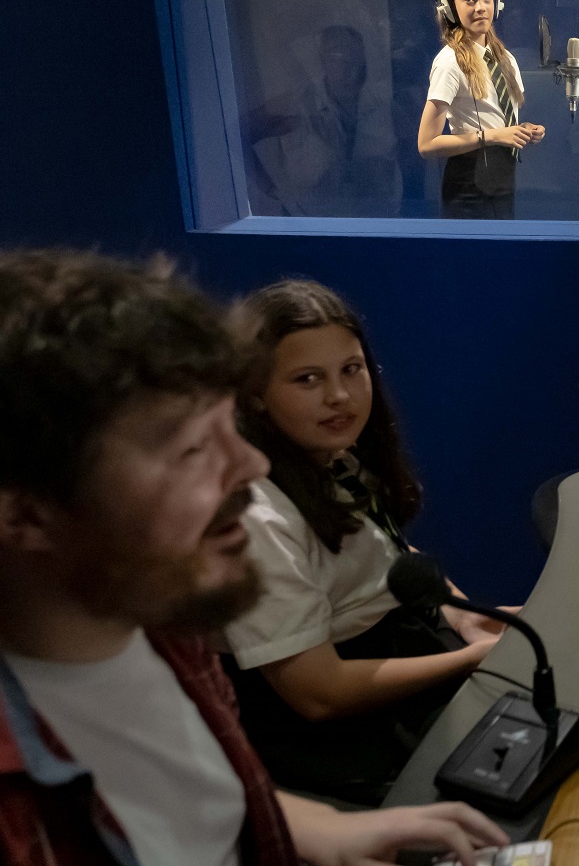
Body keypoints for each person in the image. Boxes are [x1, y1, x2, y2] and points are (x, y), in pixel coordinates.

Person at [0, 249, 508, 865]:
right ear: (23, 512)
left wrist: (321, 828)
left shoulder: (170, 637)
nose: (252, 467)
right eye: (190, 450)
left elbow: (205, 797)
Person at [220, 279, 515, 805]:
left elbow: (394, 561)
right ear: (255, 394)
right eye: (308, 379)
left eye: (351, 370)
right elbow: (320, 695)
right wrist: (476, 659)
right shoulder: (258, 519)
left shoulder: (333, 457)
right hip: (342, 726)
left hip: (404, 648)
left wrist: (468, 618)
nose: (339, 396)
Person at [417, 0, 545, 219]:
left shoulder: (505, 59)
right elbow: (426, 144)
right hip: (468, 186)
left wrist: (522, 131)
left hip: (503, 178)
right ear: (449, 7)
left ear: (497, 3)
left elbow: (497, 119)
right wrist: (493, 136)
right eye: (470, 0)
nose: (481, 8)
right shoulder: (449, 62)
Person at [245, 25, 404, 218]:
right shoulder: (298, 106)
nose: (349, 68)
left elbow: (414, 156)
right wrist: (271, 191)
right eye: (339, 58)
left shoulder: (385, 107)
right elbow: (237, 134)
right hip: (312, 228)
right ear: (323, 60)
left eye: (355, 59)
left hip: (378, 224)